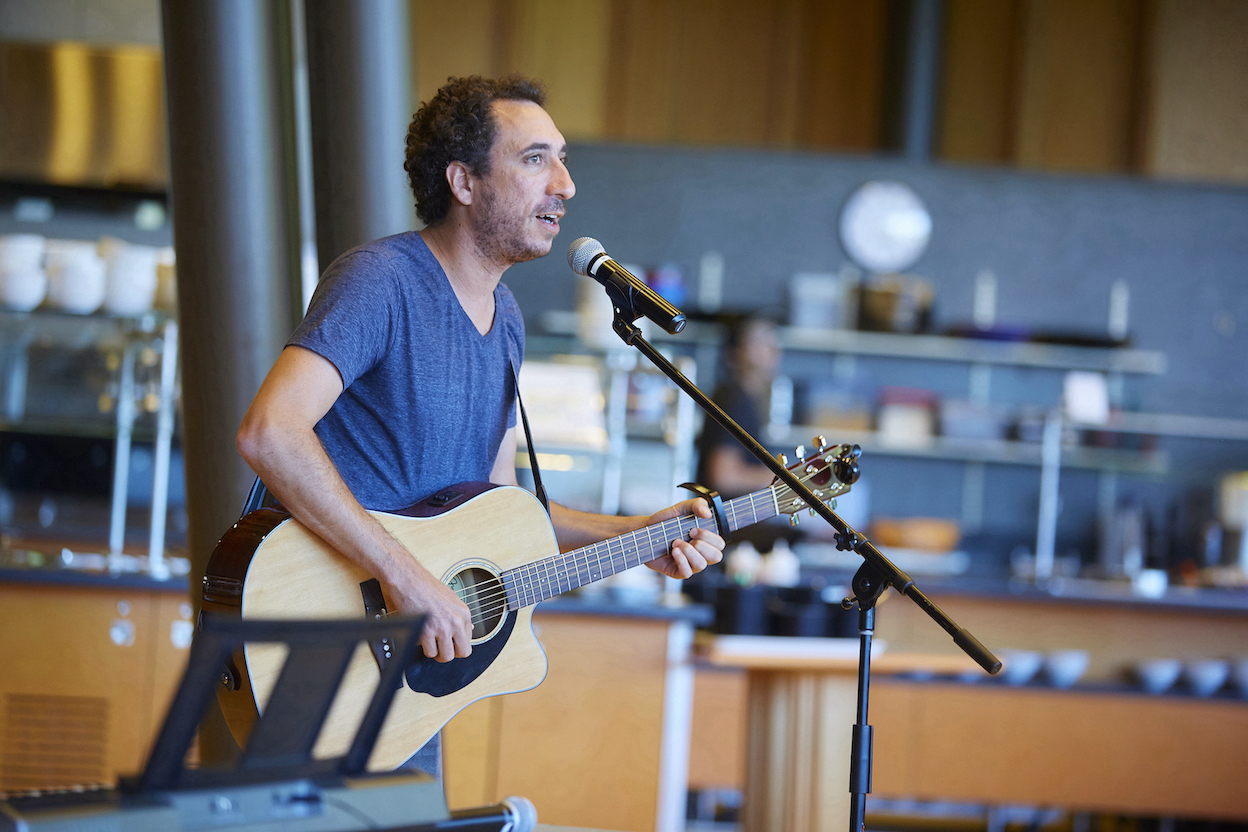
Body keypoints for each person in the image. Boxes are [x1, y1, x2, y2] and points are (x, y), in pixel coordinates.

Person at [235, 75, 725, 774]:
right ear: (463, 181)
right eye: (534, 159)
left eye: (563, 158)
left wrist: (636, 535)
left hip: (411, 677)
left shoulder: (508, 323)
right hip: (328, 642)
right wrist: (405, 575)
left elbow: (500, 512)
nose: (565, 183)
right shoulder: (381, 281)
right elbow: (269, 432)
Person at [695, 314, 784, 498]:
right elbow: (723, 477)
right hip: (728, 522)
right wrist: (782, 478)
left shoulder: (741, 397)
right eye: (761, 342)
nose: (774, 349)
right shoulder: (735, 400)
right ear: (736, 352)